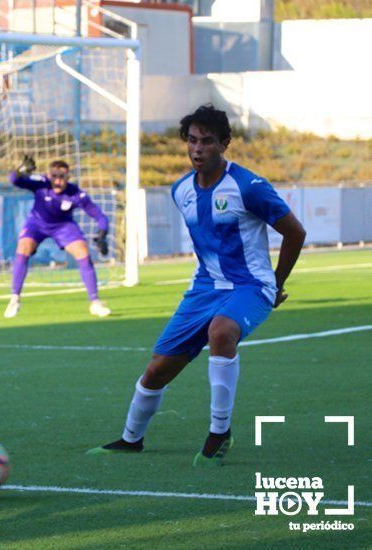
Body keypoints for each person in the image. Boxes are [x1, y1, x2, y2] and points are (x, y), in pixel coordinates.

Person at [87, 105, 306, 465]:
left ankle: (219, 433)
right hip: (204, 289)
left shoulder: (249, 187)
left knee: (221, 332)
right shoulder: (181, 190)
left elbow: (295, 233)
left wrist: (276, 283)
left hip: (250, 286)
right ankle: (131, 439)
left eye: (206, 141)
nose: (197, 149)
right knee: (157, 370)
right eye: (192, 140)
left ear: (225, 144)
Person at [5, 156, 112, 319]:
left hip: (63, 226)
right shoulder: (40, 183)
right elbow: (14, 180)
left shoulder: (76, 194)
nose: (58, 181)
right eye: (54, 176)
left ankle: (95, 302)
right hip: (37, 224)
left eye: (62, 177)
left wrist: (103, 232)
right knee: (23, 247)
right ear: (49, 176)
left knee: (83, 252)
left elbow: (100, 216)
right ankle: (15, 299)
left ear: (68, 177)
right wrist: (20, 171)